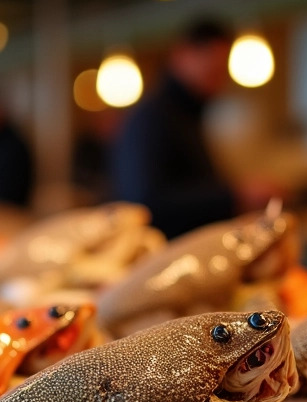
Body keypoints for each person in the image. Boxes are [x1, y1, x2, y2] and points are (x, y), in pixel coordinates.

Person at [110, 19, 271, 238]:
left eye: (221, 72)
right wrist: (234, 196)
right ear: (181, 54)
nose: (218, 80)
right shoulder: (153, 116)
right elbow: (145, 203)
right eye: (212, 70)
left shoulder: (187, 114)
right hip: (163, 256)